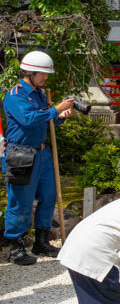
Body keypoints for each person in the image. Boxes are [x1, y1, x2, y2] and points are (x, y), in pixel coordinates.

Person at [2, 51, 75, 265]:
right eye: (42, 74)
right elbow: (28, 119)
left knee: (50, 196)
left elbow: (44, 121)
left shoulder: (40, 93)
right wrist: (55, 110)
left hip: (42, 152)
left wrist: (59, 117)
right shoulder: (15, 95)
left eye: (46, 74)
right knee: (20, 202)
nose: (46, 78)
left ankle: (41, 242)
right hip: (20, 153)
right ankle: (16, 247)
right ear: (29, 72)